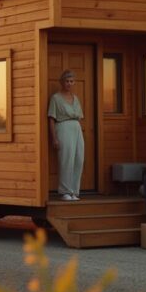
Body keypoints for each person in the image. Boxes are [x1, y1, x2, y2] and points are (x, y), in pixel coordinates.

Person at [48, 70, 85, 201]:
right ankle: (65, 191)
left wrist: (79, 131)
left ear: (74, 82)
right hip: (63, 128)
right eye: (67, 81)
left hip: (76, 129)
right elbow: (51, 118)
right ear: (62, 82)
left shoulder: (76, 98)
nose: (69, 83)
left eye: (71, 81)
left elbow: (79, 117)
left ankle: (74, 191)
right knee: (66, 159)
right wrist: (54, 138)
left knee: (78, 159)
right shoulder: (56, 98)